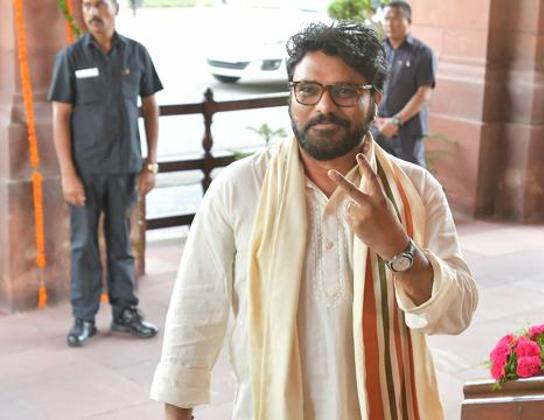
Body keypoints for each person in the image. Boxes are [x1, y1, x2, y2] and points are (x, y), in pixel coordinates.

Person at [151, 22, 477, 420]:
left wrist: (398, 248)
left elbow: (457, 311)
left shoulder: (418, 190)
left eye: (344, 91)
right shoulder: (240, 188)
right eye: (308, 90)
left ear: (374, 99)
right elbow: (194, 315)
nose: (323, 106)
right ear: (291, 96)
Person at [49, 0, 163, 347]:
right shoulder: (70, 58)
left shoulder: (137, 54)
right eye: (86, 6)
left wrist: (150, 163)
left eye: (98, 4)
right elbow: (60, 117)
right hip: (85, 173)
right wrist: (68, 174)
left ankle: (126, 312)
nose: (91, 12)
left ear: (115, 8)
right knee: (83, 246)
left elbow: (151, 109)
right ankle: (83, 319)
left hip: (126, 169)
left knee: (121, 245)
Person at [372, 1, 437, 167]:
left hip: (407, 131)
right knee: (379, 176)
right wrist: (375, 118)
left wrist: (396, 121)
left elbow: (424, 93)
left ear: (409, 21)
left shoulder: (423, 53)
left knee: (412, 180)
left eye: (395, 18)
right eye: (386, 19)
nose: (389, 23)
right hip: (378, 128)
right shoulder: (378, 50)